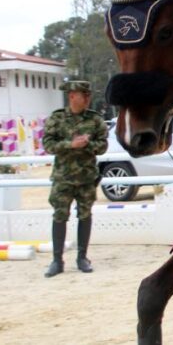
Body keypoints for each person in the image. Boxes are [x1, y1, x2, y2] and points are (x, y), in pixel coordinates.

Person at [42, 81, 108, 278]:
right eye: (83, 95)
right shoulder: (57, 118)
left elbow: (103, 146)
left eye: (88, 95)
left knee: (85, 216)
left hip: (87, 178)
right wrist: (70, 145)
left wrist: (86, 145)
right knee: (60, 216)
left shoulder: (95, 120)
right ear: (72, 96)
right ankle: (57, 260)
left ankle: (82, 258)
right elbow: (47, 144)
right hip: (63, 178)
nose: (87, 99)